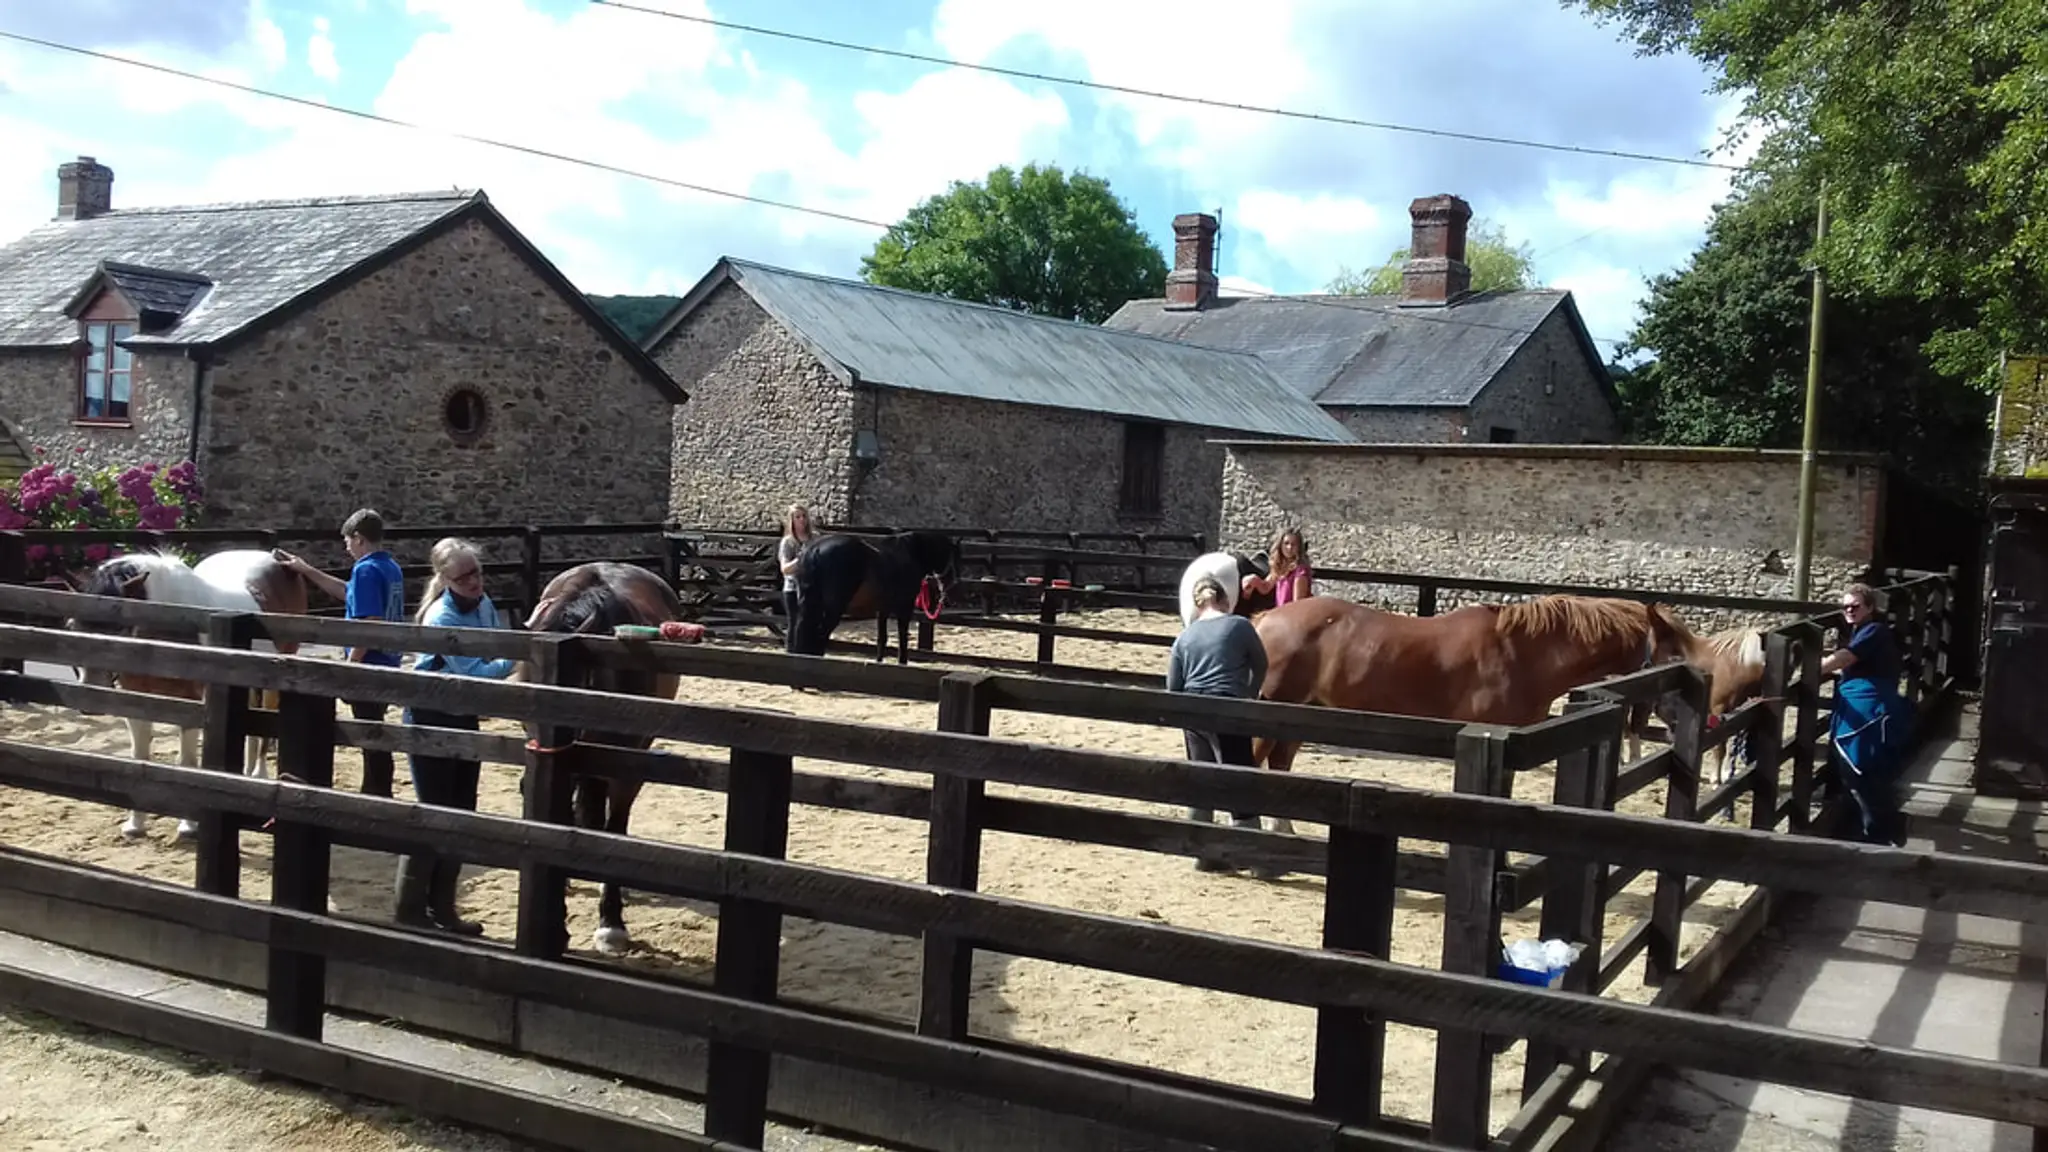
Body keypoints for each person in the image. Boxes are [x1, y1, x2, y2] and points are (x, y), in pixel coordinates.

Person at [395, 537, 529, 935]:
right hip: (430, 715)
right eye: (464, 576)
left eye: (477, 572)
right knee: (435, 811)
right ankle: (410, 909)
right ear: (445, 579)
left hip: (461, 713)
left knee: (462, 811)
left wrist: (509, 653)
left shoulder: (483, 603)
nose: (474, 581)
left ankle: (443, 908)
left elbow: (490, 651)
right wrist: (519, 656)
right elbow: (475, 672)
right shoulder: (442, 618)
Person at [274, 508, 406, 797]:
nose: (346, 548)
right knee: (374, 728)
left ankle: (376, 793)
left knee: (370, 733)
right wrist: (307, 570)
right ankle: (377, 790)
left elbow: (370, 623)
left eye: (347, 541)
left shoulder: (365, 570)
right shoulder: (389, 567)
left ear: (358, 538)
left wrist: (351, 663)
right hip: (389, 660)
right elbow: (349, 594)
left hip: (369, 663)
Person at [1167, 575, 1271, 871]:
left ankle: (1202, 854)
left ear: (1196, 604)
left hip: (1194, 712)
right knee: (1239, 780)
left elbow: (1173, 687)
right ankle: (1251, 857)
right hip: (1227, 709)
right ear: (1225, 600)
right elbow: (1261, 663)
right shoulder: (1239, 626)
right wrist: (1248, 694)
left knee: (1202, 780)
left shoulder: (1185, 637)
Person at [1821, 582, 1915, 846]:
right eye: (1845, 607)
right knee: (1859, 769)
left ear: (1870, 607)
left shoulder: (1873, 631)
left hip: (1870, 712)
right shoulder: (1863, 631)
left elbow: (1846, 658)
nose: (1849, 611)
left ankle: (1882, 832)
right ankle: (1877, 828)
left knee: (1862, 768)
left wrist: (1813, 668)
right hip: (1866, 707)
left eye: (1855, 606)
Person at [1241, 527, 1314, 607]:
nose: (1289, 547)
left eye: (1293, 544)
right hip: (1281, 610)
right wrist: (1254, 580)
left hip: (1291, 612)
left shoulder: (1300, 570)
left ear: (1299, 547)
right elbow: (1266, 587)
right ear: (1280, 545)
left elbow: (1297, 603)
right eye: (1286, 543)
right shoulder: (1281, 566)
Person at [778, 503, 815, 653]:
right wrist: (801, 559)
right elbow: (785, 569)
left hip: (812, 587)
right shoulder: (788, 542)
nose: (801, 520)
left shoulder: (814, 539)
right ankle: (791, 653)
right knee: (794, 623)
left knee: (811, 622)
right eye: (797, 517)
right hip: (793, 588)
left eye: (804, 516)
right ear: (792, 520)